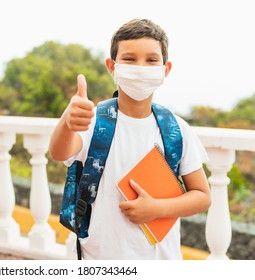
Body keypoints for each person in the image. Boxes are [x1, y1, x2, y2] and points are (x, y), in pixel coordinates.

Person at [49, 18, 211, 260]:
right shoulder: (94, 122)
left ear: (165, 69)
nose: (141, 67)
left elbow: (202, 196)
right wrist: (67, 122)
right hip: (98, 258)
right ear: (112, 66)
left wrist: (158, 208)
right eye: (129, 58)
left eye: (151, 60)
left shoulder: (177, 129)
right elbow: (60, 152)